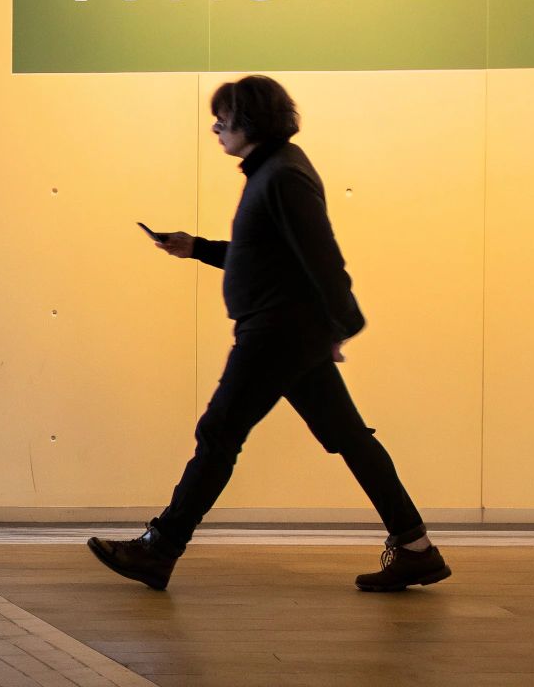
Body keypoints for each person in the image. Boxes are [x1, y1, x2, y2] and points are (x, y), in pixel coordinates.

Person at [88, 75, 449, 593]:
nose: (215, 127)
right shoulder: (273, 171)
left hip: (277, 333)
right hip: (289, 331)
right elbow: (269, 256)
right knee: (348, 438)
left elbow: (324, 259)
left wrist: (342, 326)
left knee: (219, 435)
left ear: (250, 120)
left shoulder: (282, 176)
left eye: (223, 118)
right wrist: (199, 248)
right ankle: (416, 549)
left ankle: (159, 549)